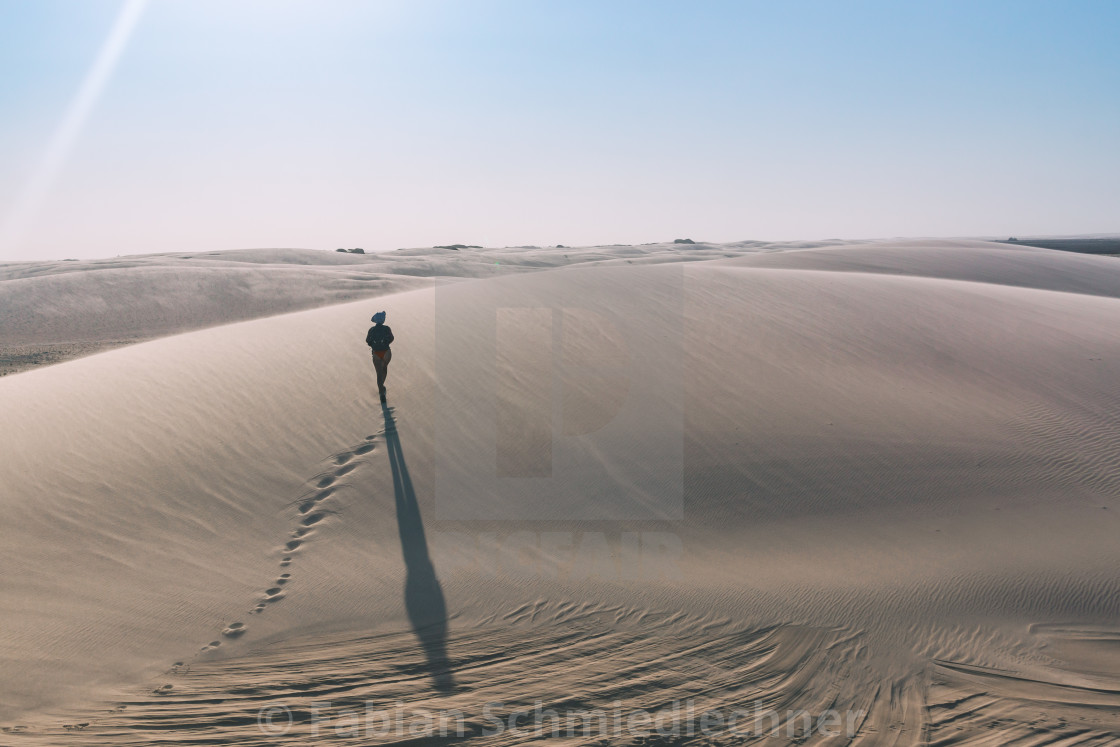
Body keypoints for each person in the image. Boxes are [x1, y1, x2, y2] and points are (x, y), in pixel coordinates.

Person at [366, 311, 394, 402]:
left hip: (376, 354)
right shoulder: (386, 328)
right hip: (386, 352)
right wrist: (385, 343)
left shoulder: (371, 330)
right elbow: (391, 338)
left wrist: (374, 346)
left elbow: (367, 341)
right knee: (384, 368)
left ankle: (381, 391)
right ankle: (382, 387)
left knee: (378, 373)